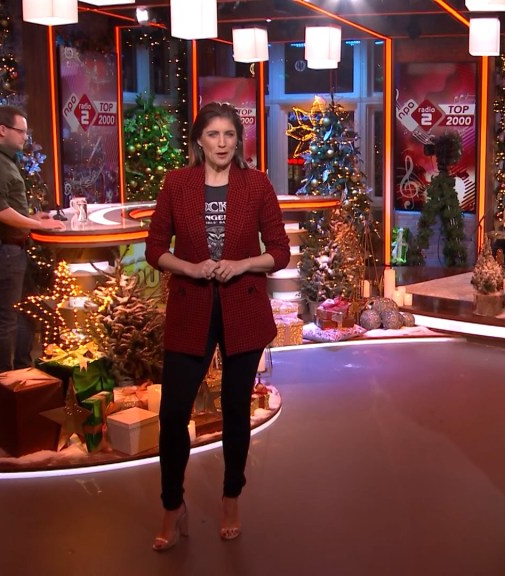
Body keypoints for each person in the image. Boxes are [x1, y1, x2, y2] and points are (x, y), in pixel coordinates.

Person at [145, 102, 290, 551]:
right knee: (173, 414)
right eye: (213, 134)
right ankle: (173, 505)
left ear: (238, 140)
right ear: (199, 141)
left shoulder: (256, 184)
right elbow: (154, 248)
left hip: (242, 308)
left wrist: (242, 263)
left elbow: (280, 251)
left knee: (235, 411)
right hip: (190, 309)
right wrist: (190, 268)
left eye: (229, 134)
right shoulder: (177, 183)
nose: (222, 143)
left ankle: (230, 497)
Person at [0, 105, 64, 374]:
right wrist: (36, 224)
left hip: (9, 250)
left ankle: (23, 370)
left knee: (28, 311)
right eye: (21, 131)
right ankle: (4, 380)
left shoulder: (0, 157)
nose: (25, 137)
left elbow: (4, 205)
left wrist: (32, 217)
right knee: (7, 320)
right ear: (3, 130)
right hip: (3, 252)